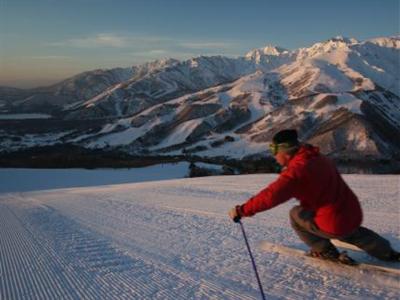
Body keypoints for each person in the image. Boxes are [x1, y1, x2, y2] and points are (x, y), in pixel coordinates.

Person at [229, 129, 399, 263]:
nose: (273, 155)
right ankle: (386, 251)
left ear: (285, 151)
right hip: (353, 213)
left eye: (273, 150)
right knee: (350, 230)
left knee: (296, 214)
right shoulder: (317, 157)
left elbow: (270, 196)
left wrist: (242, 210)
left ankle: (324, 250)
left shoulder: (297, 171)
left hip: (334, 221)